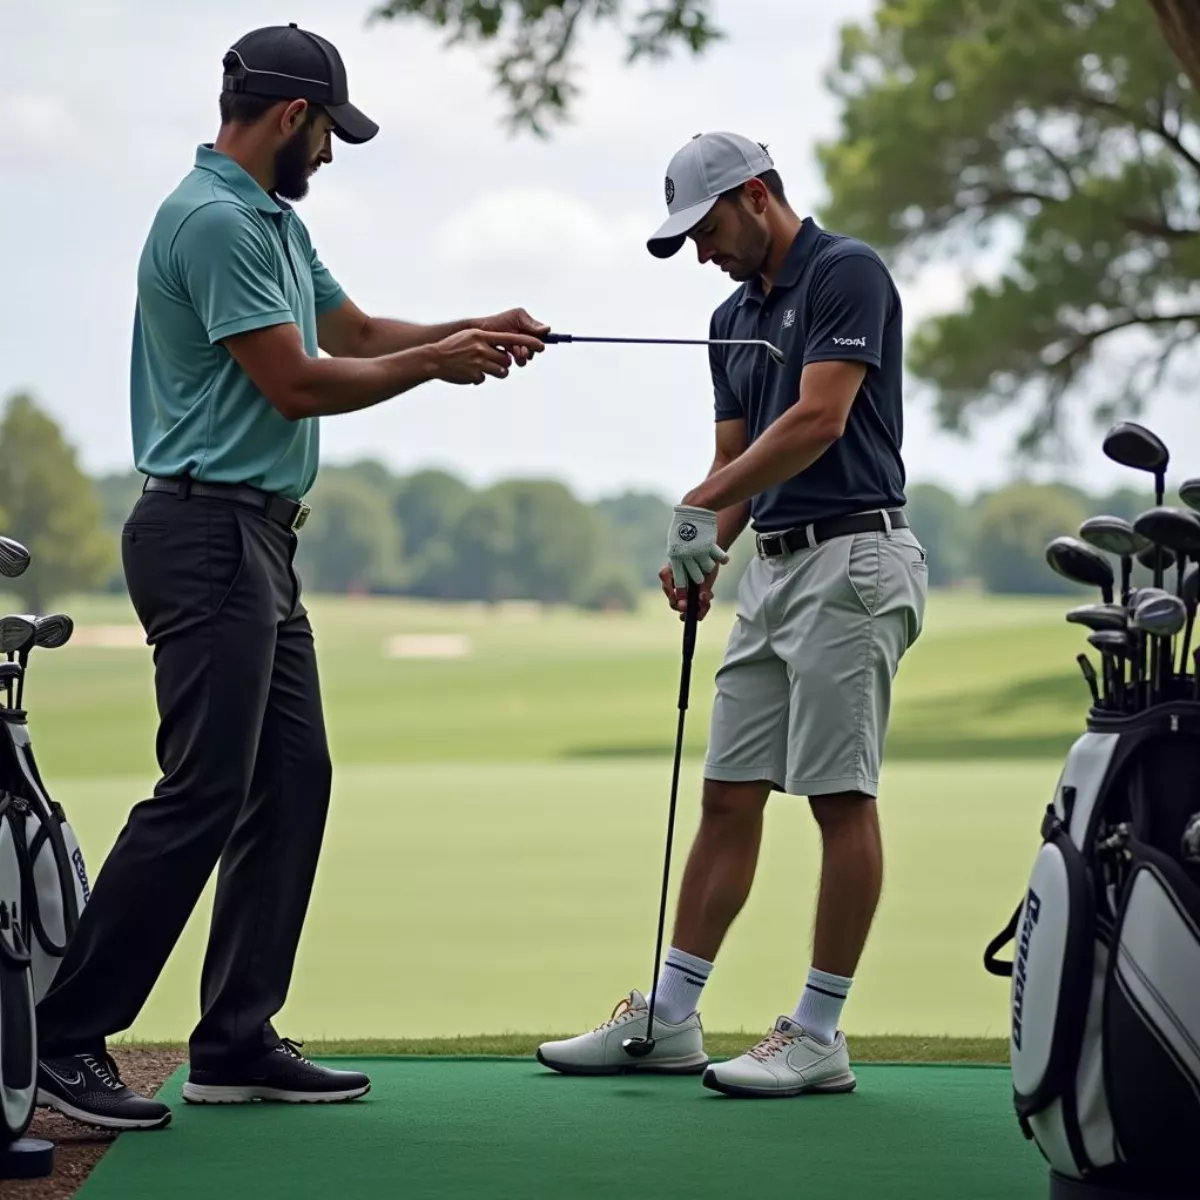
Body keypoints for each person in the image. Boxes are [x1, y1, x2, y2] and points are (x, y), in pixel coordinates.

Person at [34, 22, 548, 1132]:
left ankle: (232, 1043)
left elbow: (350, 325)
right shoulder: (213, 221)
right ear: (286, 119)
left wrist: (476, 326)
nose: (329, 153)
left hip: (256, 537)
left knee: (293, 776)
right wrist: (436, 367)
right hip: (204, 531)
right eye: (326, 133)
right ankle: (63, 1041)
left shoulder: (264, 219)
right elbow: (298, 382)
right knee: (202, 791)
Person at [537, 131, 928, 1097]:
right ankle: (671, 1021)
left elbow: (817, 421)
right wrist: (705, 540)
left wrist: (700, 504)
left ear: (756, 196)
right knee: (728, 792)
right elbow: (736, 464)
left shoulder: (849, 275)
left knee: (839, 797)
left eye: (706, 228)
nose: (702, 252)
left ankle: (819, 1033)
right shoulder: (727, 318)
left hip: (856, 555)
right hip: (775, 570)